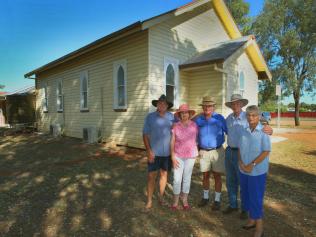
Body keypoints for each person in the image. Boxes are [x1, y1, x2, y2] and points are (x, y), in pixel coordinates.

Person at [223, 94, 273, 219]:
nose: (235, 105)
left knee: (244, 182)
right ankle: (233, 204)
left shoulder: (248, 116)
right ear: (231, 106)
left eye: (237, 103)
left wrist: (270, 129)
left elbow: (263, 127)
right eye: (233, 104)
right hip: (230, 151)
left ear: (241, 104)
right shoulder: (228, 118)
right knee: (230, 180)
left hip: (244, 154)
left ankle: (246, 209)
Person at [238, 105, 271, 237]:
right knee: (246, 195)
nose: (251, 118)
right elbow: (240, 148)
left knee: (256, 197)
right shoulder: (243, 130)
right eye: (248, 115)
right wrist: (240, 162)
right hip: (243, 170)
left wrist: (252, 164)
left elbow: (266, 151)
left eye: (254, 115)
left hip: (256, 171)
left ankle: (259, 227)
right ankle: (251, 220)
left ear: (258, 117)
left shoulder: (264, 131)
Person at [195, 96, 227, 210]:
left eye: (210, 105)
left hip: (217, 151)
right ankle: (205, 197)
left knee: (217, 176)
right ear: (202, 107)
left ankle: (217, 200)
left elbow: (229, 131)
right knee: (205, 175)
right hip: (204, 151)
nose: (207, 108)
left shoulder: (220, 118)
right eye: (205, 105)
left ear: (213, 107)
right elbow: (190, 130)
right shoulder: (198, 120)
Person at [143, 94, 174, 209]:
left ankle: (160, 197)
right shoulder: (150, 117)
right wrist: (148, 151)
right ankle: (149, 200)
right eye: (160, 103)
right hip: (154, 153)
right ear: (157, 104)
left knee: (164, 175)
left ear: (167, 106)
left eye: (164, 103)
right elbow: (145, 135)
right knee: (151, 176)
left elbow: (180, 128)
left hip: (167, 154)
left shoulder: (172, 117)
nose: (162, 105)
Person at [170, 104, 198, 210]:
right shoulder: (175, 126)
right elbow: (172, 141)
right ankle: (176, 200)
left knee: (187, 178)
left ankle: (185, 199)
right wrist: (172, 155)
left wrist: (197, 149)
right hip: (178, 155)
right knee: (177, 179)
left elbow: (195, 139)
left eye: (186, 112)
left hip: (191, 156)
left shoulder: (194, 125)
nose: (184, 114)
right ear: (179, 114)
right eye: (182, 113)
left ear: (189, 114)